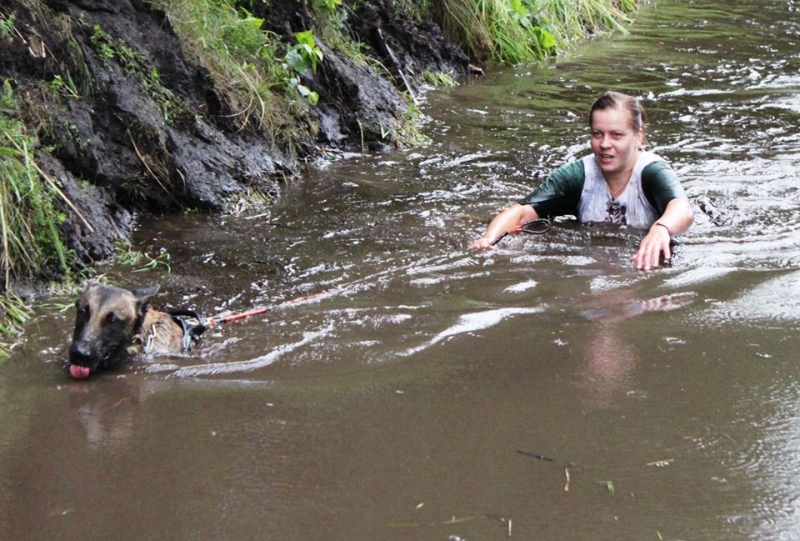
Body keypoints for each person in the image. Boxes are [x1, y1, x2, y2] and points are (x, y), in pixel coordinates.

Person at [469, 91, 694, 270]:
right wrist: (488, 239)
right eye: (597, 134)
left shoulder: (652, 171)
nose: (605, 144)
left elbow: (682, 209)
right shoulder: (577, 176)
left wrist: (661, 229)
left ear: (638, 137)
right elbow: (521, 212)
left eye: (616, 135)